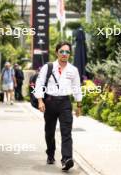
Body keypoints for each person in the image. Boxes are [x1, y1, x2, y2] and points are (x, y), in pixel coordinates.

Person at [34, 41, 82, 171]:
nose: (64, 54)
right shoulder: (48, 67)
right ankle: (50, 153)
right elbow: (39, 84)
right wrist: (40, 101)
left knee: (66, 132)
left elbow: (77, 87)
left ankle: (66, 159)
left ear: (69, 54)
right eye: (62, 51)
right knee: (49, 131)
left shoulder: (73, 70)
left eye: (67, 52)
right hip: (50, 102)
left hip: (65, 103)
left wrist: (78, 105)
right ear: (57, 52)